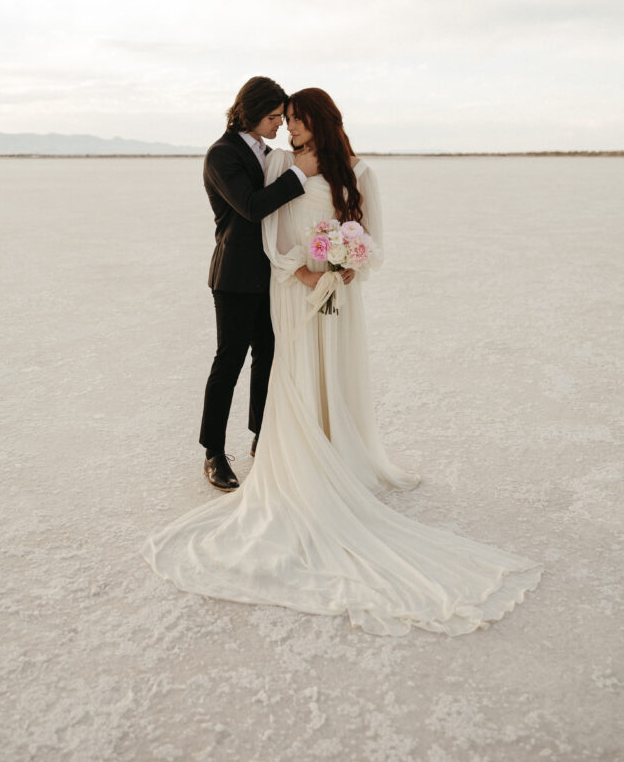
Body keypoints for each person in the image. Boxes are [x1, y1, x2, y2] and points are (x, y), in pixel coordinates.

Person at [143, 88, 543, 636]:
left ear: (320, 124)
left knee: (297, 367)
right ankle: (224, 448)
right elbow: (265, 224)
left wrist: (349, 263)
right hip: (281, 285)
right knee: (251, 362)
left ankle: (311, 446)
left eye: (296, 121)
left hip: (335, 293)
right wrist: (299, 269)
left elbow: (371, 238)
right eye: (281, 119)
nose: (286, 129)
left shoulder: (358, 172)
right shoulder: (265, 161)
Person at [199, 76, 319, 491]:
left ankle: (260, 439)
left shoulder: (270, 153)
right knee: (228, 362)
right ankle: (213, 452)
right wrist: (299, 176)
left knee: (268, 359)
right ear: (249, 114)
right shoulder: (222, 155)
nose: (279, 125)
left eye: (282, 117)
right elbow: (251, 208)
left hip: (270, 276)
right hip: (232, 278)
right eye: (272, 117)